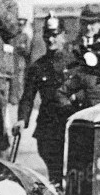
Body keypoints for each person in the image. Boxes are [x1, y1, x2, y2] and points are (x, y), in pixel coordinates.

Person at [15, 14, 77, 179]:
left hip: (72, 123)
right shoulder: (38, 66)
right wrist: (22, 119)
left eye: (54, 35)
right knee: (54, 173)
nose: (50, 39)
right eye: (47, 35)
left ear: (63, 35)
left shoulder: (75, 63)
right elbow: (28, 97)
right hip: (48, 126)